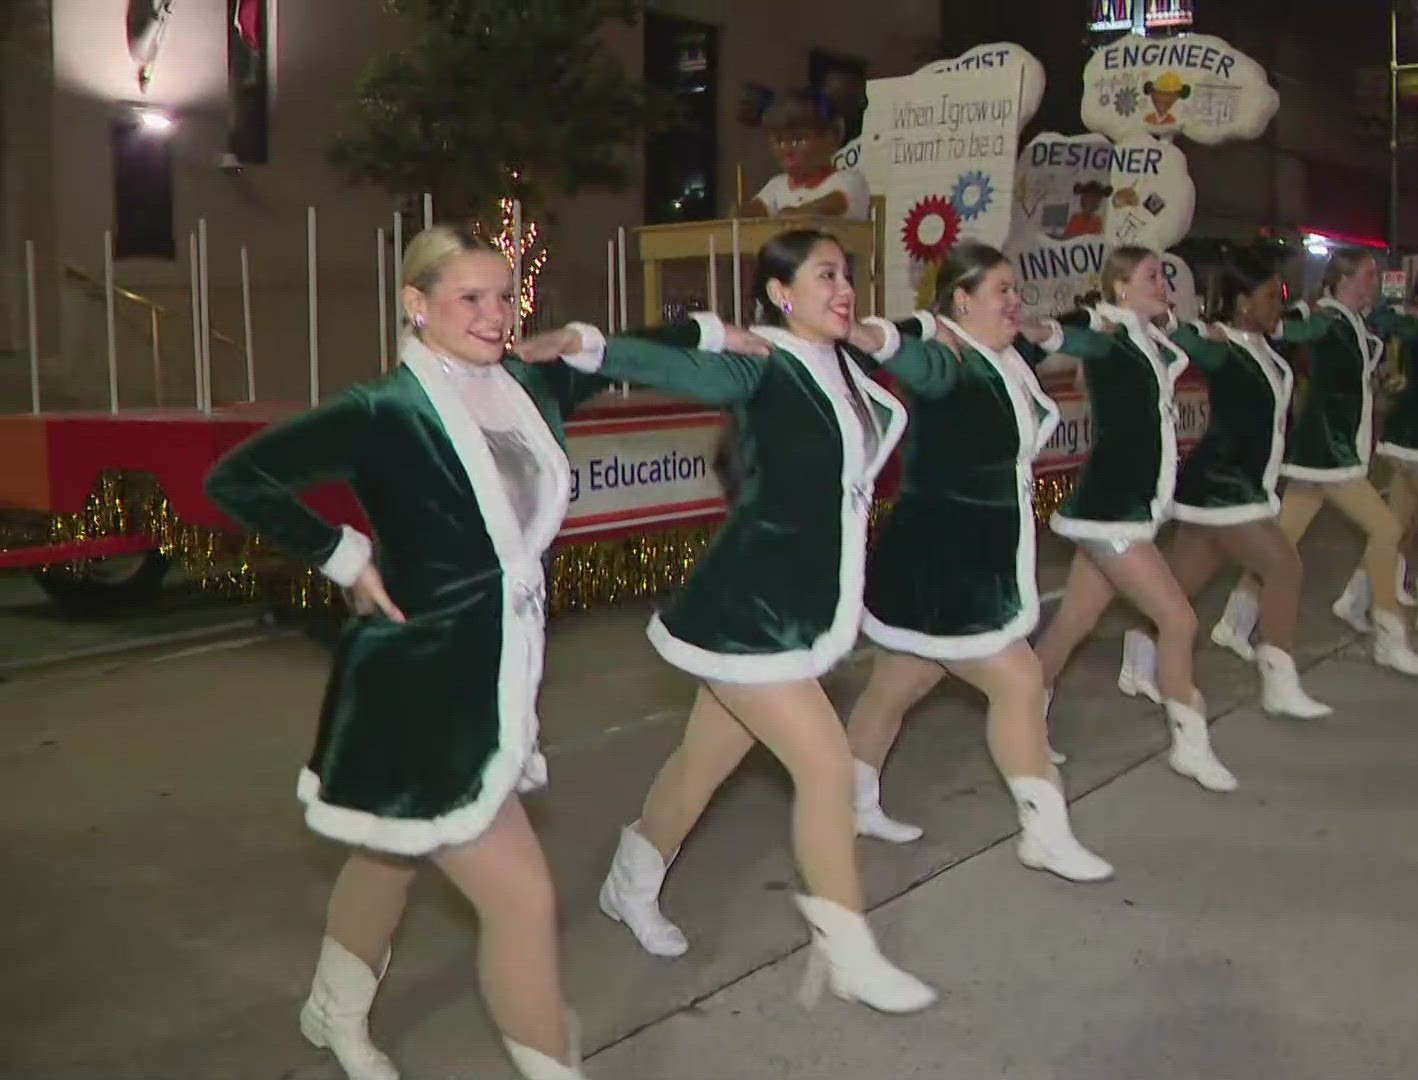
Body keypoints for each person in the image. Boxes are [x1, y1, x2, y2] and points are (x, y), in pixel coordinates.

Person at [204, 225, 760, 1080]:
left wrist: (722, 333)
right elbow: (236, 478)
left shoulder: (528, 385)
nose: (497, 315)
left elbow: (630, 347)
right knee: (524, 900)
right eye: (472, 298)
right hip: (416, 688)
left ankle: (331, 1010)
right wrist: (343, 557)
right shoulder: (385, 410)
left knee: (389, 855)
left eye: (505, 296)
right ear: (416, 306)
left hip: (496, 675)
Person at [518, 229, 934, 1015]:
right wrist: (588, 344)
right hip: (747, 613)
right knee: (826, 770)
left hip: (797, 609)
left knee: (700, 764)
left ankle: (628, 881)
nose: (843, 289)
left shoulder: (847, 370)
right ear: (779, 294)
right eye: (823, 277)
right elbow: (674, 365)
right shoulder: (765, 362)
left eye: (847, 276)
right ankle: (849, 950)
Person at [831, 242, 1112, 882]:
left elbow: (1094, 345)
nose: (1015, 300)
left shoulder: (1005, 354)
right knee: (1018, 682)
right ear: (961, 298)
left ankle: (850, 800)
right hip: (945, 563)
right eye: (1002, 291)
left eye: (1017, 290)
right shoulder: (947, 358)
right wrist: (869, 330)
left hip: (975, 552)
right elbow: (904, 351)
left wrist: (1044, 326)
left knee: (898, 684)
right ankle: (1045, 833)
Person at [1030, 246, 1240, 793]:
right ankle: (1189, 744)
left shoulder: (1151, 339)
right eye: (1152, 277)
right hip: (1111, 511)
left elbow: (1205, 355)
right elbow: (1060, 336)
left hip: (1127, 507)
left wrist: (1186, 325)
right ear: (1120, 288)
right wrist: (1047, 323)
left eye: (1165, 275)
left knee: (1073, 622)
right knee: (1179, 622)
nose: (1164, 284)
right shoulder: (1106, 335)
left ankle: (1022, 718)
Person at [1112, 243, 1333, 719]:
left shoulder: (1265, 347)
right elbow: (1175, 330)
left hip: (1239, 485)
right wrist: (1159, 317)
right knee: (1283, 569)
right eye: (1271, 296)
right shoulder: (1218, 345)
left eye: (1281, 295)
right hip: (1222, 486)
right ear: (1242, 303)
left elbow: (1308, 325)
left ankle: (1139, 649)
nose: (1279, 304)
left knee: (1179, 590)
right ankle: (1279, 682)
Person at [1262, 248, 1418, 676]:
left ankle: (1236, 621)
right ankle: (1389, 635)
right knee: (1387, 529)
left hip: (1331, 450)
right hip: (1330, 452)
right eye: (1369, 275)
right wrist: (1285, 310)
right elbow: (1287, 330)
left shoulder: (1354, 322)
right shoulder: (1329, 319)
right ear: (1343, 278)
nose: (1376, 282)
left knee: (1278, 545)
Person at [1323, 264, 1418, 641]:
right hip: (1414, 443)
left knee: (1393, 529)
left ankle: (1354, 598)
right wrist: (1393, 314)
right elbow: (1387, 323)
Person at [741, 90, 871, 220]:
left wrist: (797, 213)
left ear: (831, 139)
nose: (787, 150)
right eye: (779, 142)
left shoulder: (849, 180)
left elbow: (834, 204)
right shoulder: (777, 185)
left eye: (798, 140)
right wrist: (740, 213)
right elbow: (757, 209)